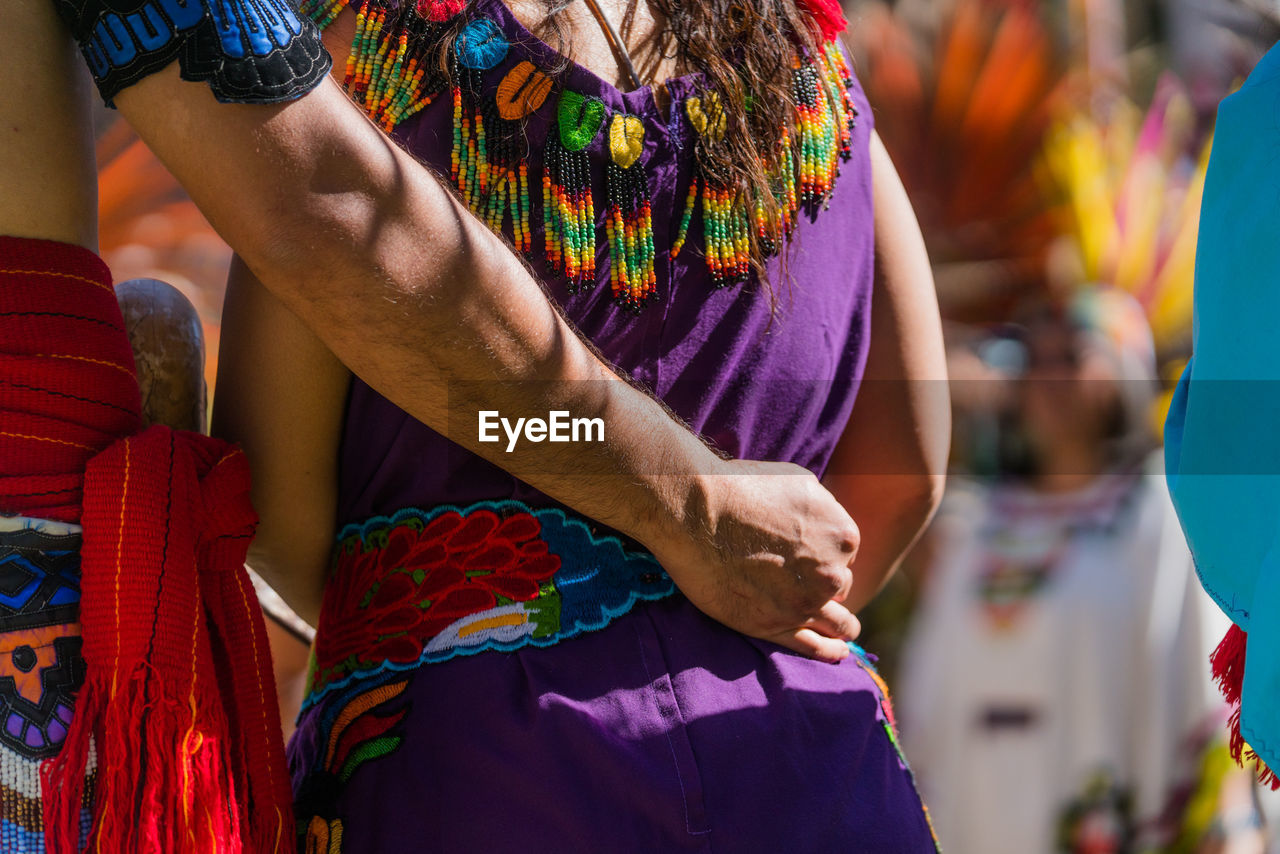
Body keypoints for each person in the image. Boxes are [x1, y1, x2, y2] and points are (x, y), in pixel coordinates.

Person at [1, 0, 898, 847]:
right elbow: (908, 466)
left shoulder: (379, 62)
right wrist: (743, 584)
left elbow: (278, 491)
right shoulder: (813, 69)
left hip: (471, 765)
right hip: (812, 759)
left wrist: (483, 578)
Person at [901, 291, 1255, 853]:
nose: (1048, 376)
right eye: (1034, 359)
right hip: (981, 807)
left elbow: (1194, 669)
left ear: (1125, 375)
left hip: (1105, 809)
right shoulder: (978, 527)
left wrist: (1224, 817)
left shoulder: (1156, 511)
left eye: (1071, 355)